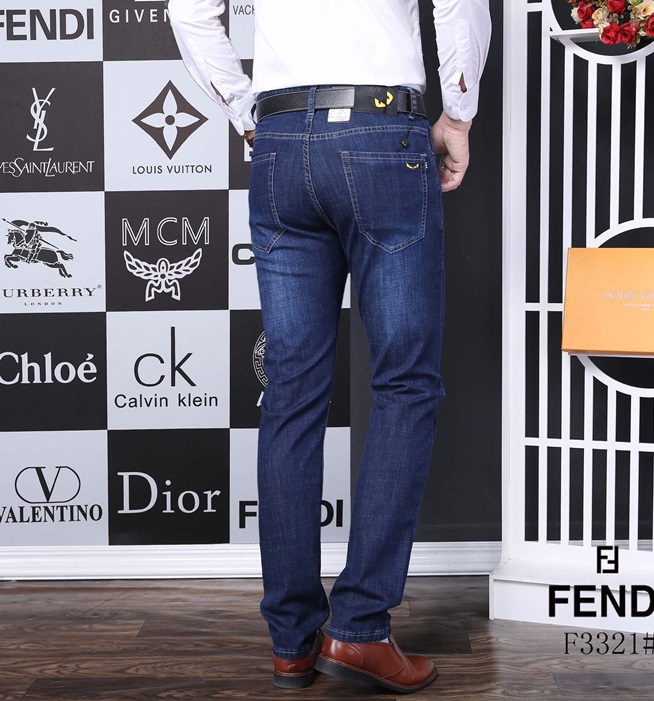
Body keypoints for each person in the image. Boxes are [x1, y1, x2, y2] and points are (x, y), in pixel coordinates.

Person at [168, 0, 491, 693]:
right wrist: (458, 115)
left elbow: (188, 10)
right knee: (405, 384)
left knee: (290, 391)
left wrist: (244, 110)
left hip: (280, 140)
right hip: (381, 134)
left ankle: (291, 641)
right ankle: (360, 629)